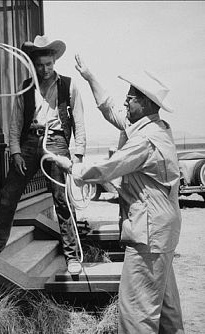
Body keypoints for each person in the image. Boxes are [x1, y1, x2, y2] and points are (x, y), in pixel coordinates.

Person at [72, 54, 184, 333]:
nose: (125, 100)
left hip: (149, 235)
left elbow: (109, 167)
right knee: (166, 310)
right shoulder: (154, 128)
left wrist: (75, 169)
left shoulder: (144, 140)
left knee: (136, 312)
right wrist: (90, 77)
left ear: (145, 103)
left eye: (130, 97)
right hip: (161, 233)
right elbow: (112, 110)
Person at [0, 36, 86, 275]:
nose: (44, 69)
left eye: (48, 64)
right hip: (29, 142)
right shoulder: (26, 87)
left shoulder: (69, 85)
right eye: (40, 65)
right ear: (33, 64)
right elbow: (15, 123)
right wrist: (15, 151)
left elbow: (79, 121)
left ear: (54, 61)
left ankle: (73, 256)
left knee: (61, 199)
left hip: (56, 142)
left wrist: (78, 154)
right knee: (8, 194)